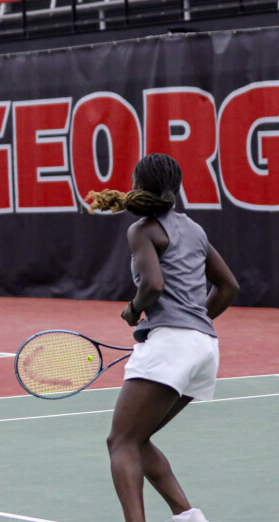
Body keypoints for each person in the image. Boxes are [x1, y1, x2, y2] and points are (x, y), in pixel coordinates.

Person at [86, 153, 239, 522]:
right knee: (137, 439)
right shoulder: (195, 229)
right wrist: (191, 322)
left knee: (119, 443)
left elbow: (153, 285)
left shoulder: (142, 230)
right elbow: (229, 287)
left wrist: (133, 309)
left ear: (138, 185)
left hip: (172, 345)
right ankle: (188, 518)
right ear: (178, 188)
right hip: (205, 348)